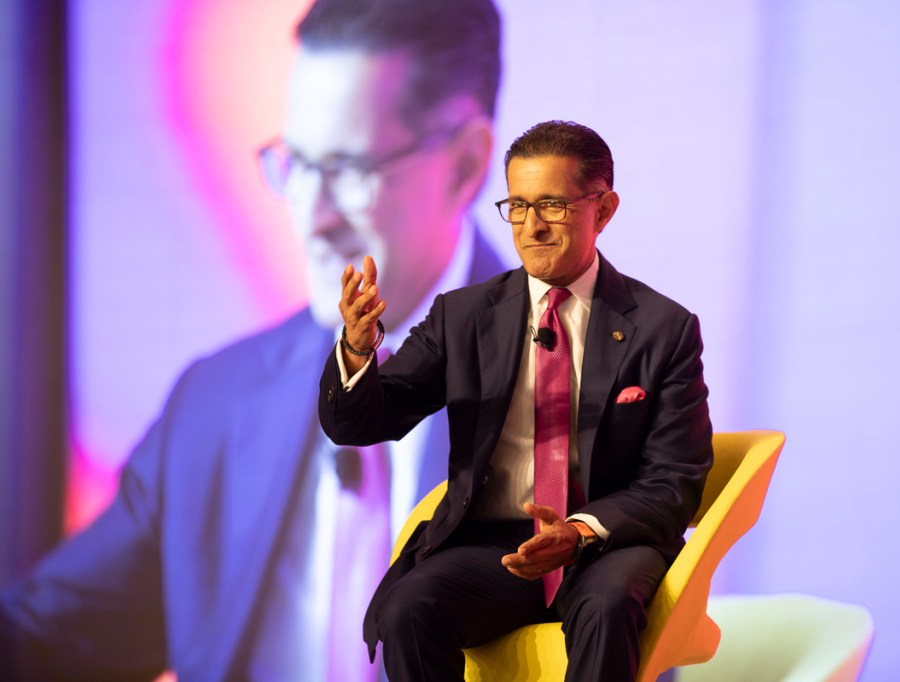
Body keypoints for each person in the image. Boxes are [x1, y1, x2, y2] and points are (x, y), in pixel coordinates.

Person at [0, 0, 504, 680]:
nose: (309, 217)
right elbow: (42, 641)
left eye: (349, 168)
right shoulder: (214, 408)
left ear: (466, 166)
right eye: (296, 163)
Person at [319, 120, 715, 681]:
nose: (531, 227)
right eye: (517, 206)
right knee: (411, 608)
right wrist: (358, 353)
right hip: (495, 548)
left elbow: (674, 480)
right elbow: (367, 420)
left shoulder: (662, 329)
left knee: (609, 605)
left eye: (551, 205)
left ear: (603, 209)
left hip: (605, 542)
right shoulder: (463, 316)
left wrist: (579, 531)